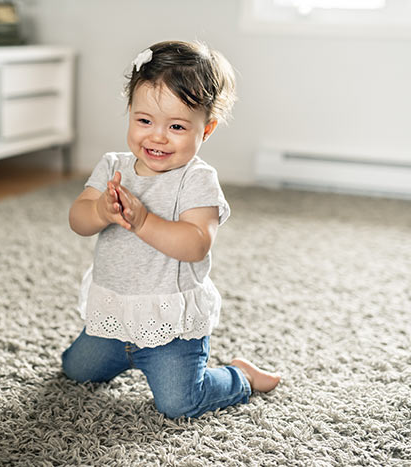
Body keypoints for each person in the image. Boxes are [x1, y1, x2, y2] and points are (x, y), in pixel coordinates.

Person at [62, 40, 280, 419]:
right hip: (114, 317)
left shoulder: (197, 180)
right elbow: (78, 220)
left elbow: (196, 244)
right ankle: (119, 355)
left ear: (206, 129)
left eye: (177, 126)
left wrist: (143, 221)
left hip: (171, 328)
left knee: (180, 404)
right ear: (130, 112)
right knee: (75, 370)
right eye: (144, 121)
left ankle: (238, 376)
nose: (158, 136)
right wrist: (99, 209)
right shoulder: (114, 166)